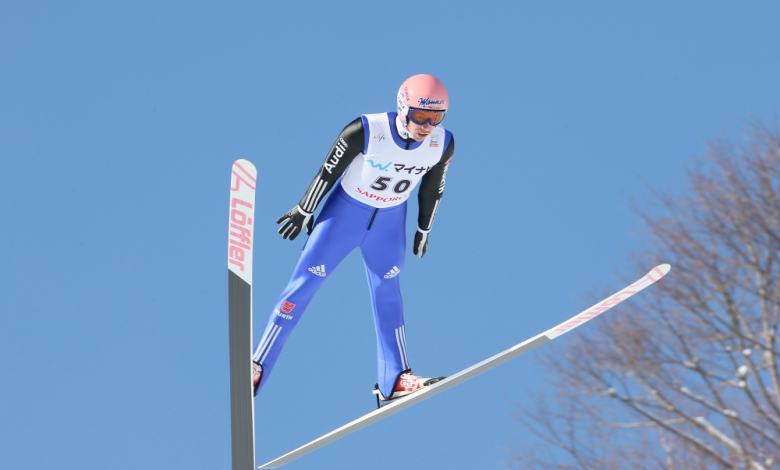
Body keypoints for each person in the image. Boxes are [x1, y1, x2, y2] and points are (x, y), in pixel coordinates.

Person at [251, 74, 455, 402]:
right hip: (344, 216)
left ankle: (396, 379)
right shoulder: (366, 130)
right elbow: (327, 171)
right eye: (421, 116)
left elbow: (434, 189)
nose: (427, 125)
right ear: (403, 108)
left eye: (436, 118)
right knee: (303, 285)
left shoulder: (442, 143)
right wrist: (304, 209)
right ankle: (258, 364)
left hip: (389, 224)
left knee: (388, 293)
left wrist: (424, 228)